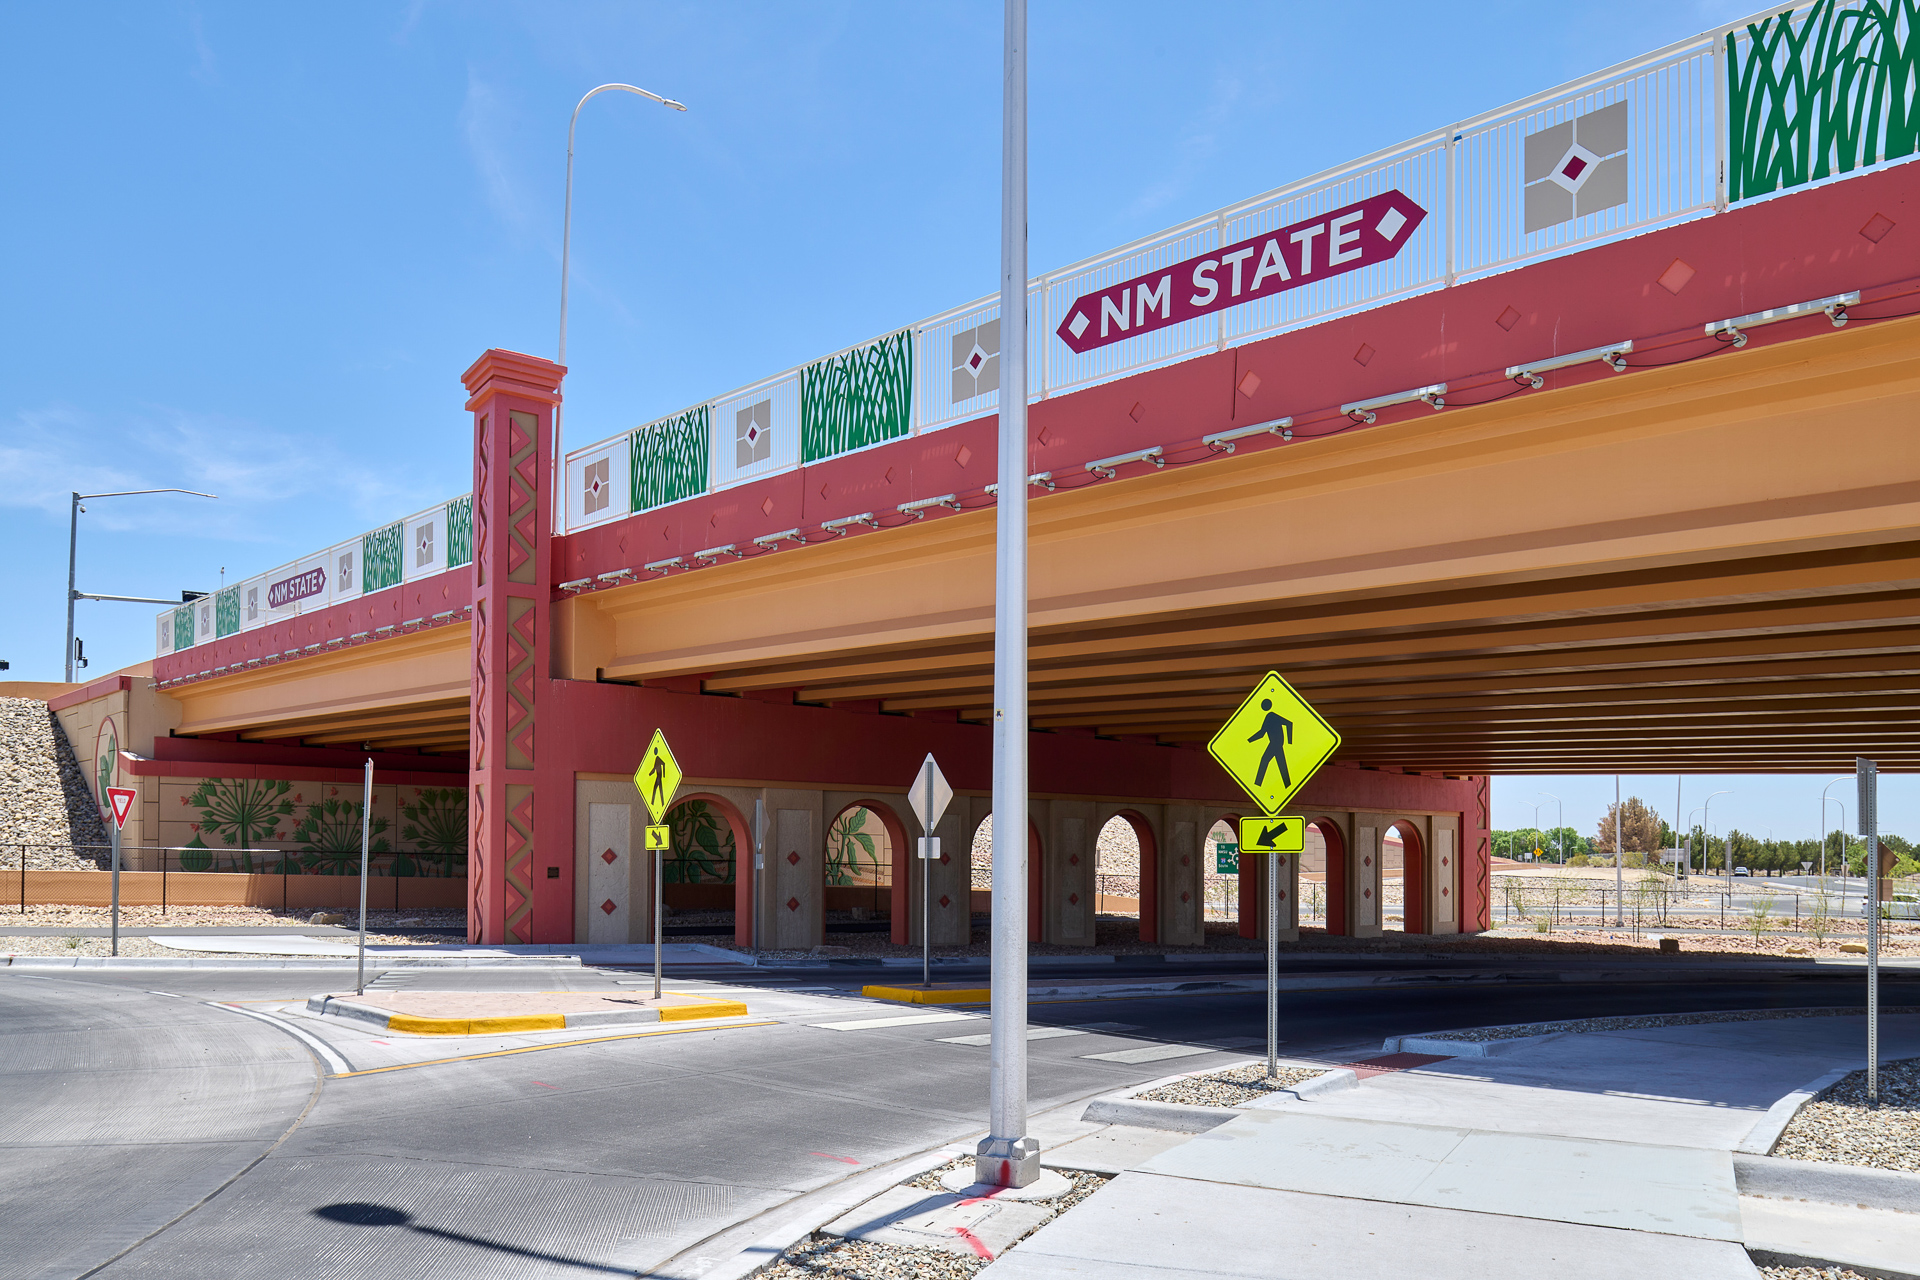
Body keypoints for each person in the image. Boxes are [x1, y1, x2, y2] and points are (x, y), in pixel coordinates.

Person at [1248, 698, 1294, 790]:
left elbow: (1289, 724)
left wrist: (1290, 742)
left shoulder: (1271, 716)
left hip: (1275, 744)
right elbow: (1262, 734)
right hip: (1276, 744)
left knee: (1265, 760)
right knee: (1282, 765)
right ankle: (1288, 786)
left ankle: (1257, 785)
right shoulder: (1269, 717)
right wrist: (1249, 740)